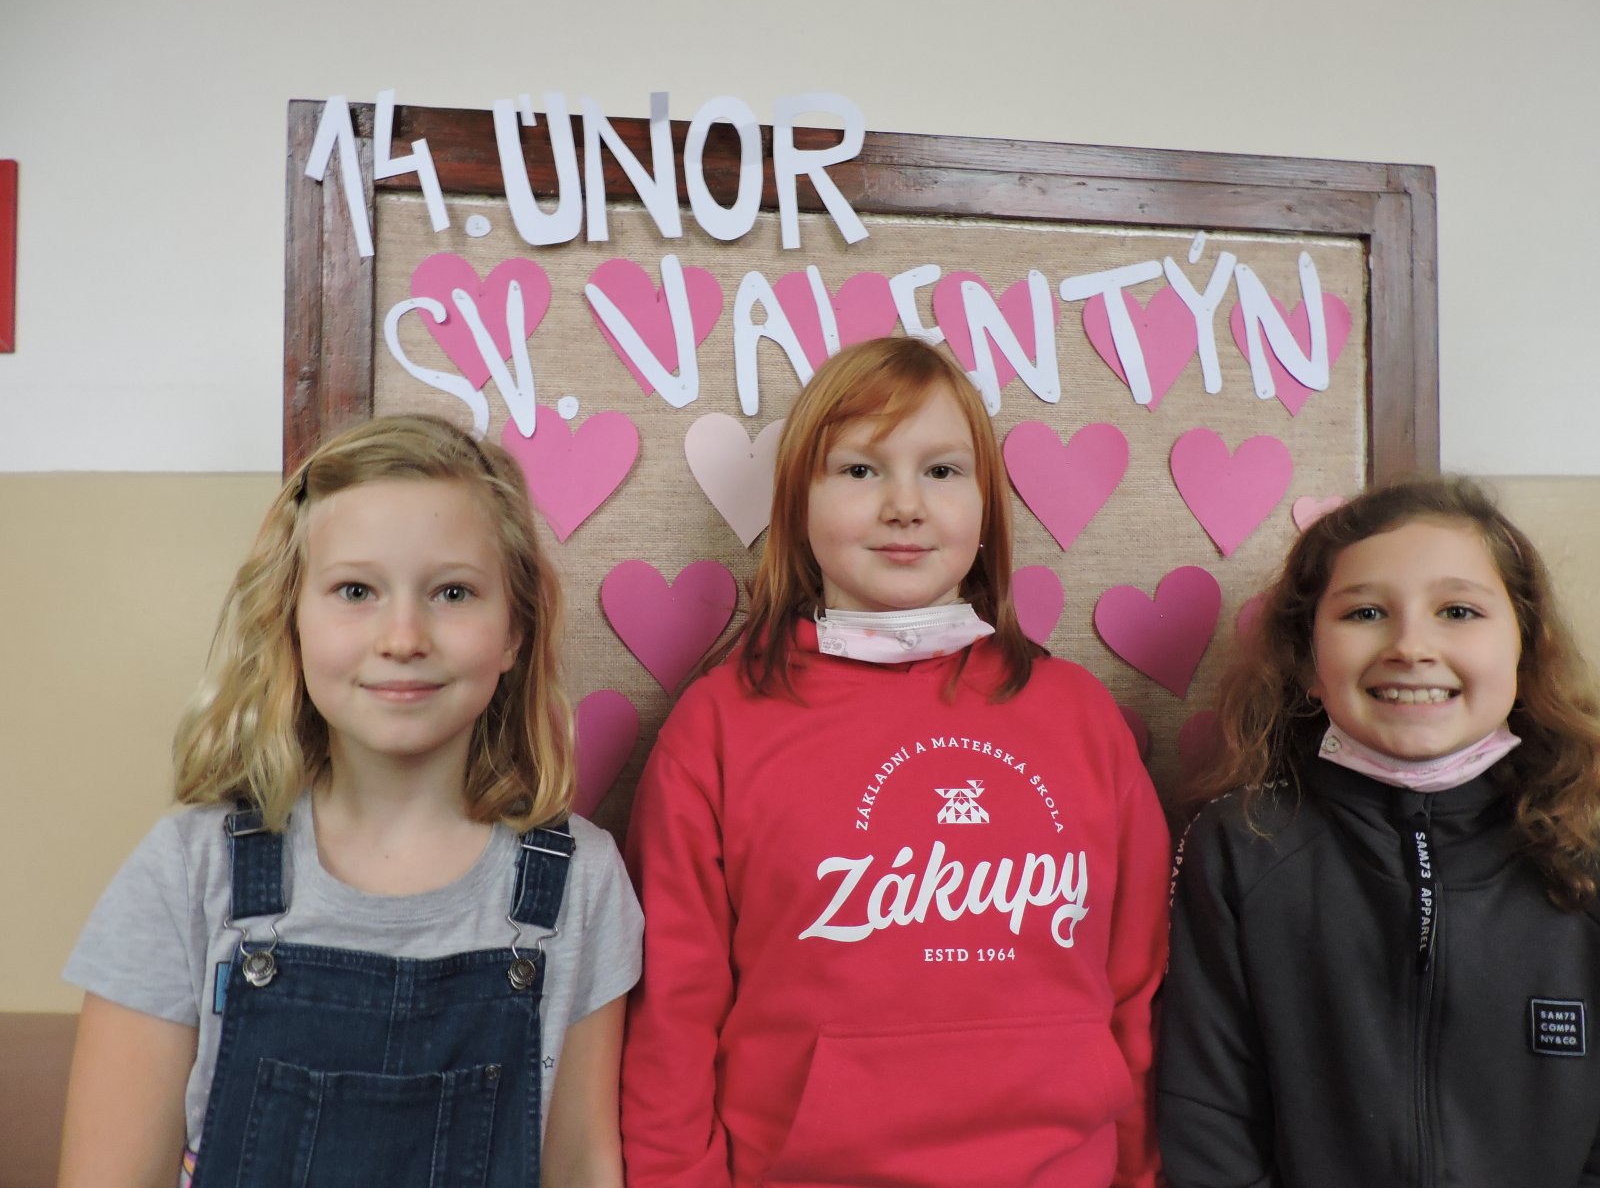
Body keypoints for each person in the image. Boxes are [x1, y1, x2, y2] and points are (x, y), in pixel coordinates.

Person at [621, 337, 1169, 1188]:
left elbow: (1137, 989)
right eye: (860, 470)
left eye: (943, 471)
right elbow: (672, 1018)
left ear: (987, 509)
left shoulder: (1082, 717)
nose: (905, 506)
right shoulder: (717, 727)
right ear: (797, 502)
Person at [57, 415, 643, 1188]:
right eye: (356, 591)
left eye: (454, 592)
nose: (403, 637)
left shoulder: (581, 882)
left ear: (514, 631)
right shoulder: (188, 872)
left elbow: (581, 1163)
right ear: (291, 621)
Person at [1158, 478, 1600, 1187]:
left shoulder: (1586, 842)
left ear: (1524, 647)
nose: (1410, 646)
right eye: (1366, 612)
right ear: (1307, 661)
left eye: (1457, 611)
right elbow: (1207, 1115)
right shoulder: (1242, 845)